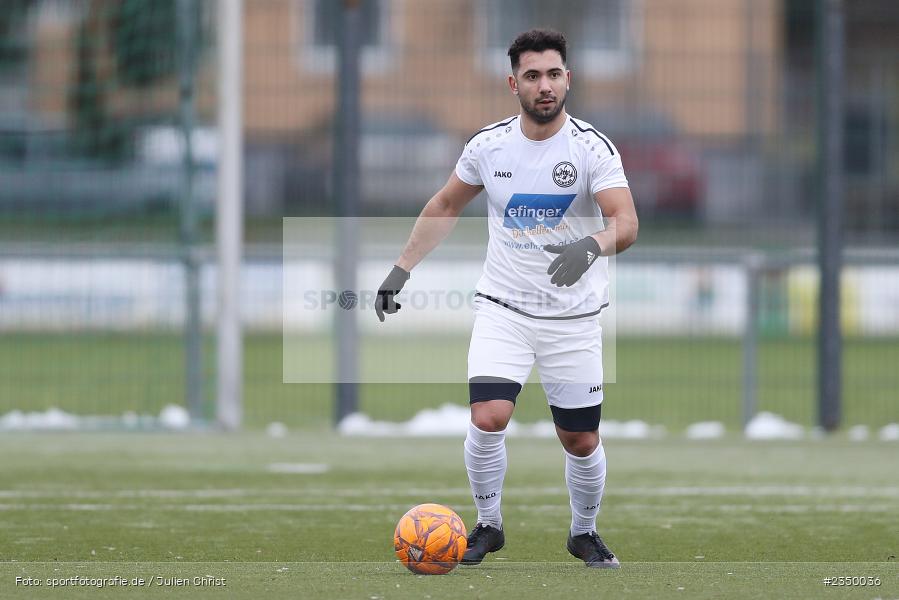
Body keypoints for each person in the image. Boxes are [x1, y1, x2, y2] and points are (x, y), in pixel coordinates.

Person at [376, 28, 638, 569]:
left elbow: (626, 223)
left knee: (580, 439)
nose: (545, 86)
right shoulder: (488, 146)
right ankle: (488, 525)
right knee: (489, 415)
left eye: (554, 74)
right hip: (504, 310)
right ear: (512, 82)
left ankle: (583, 532)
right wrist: (401, 270)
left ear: (569, 78)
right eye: (533, 76)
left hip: (574, 317)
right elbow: (446, 205)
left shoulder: (591, 148)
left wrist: (591, 245)